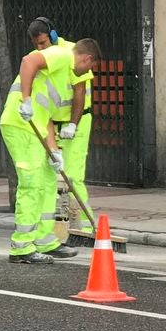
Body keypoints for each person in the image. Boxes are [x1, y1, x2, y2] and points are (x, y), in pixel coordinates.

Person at [0, 19, 98, 263]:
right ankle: (21, 247)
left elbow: (49, 117)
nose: (88, 74)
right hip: (20, 124)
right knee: (31, 184)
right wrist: (26, 99)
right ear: (85, 60)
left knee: (48, 182)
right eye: (90, 68)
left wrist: (54, 151)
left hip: (37, 127)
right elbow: (27, 61)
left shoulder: (65, 72)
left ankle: (44, 240)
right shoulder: (63, 56)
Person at [51, 37, 101, 235]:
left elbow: (79, 91)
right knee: (55, 178)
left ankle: (86, 226)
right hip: (54, 125)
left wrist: (72, 124)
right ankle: (61, 225)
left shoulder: (74, 55)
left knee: (72, 176)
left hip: (76, 124)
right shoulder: (51, 53)